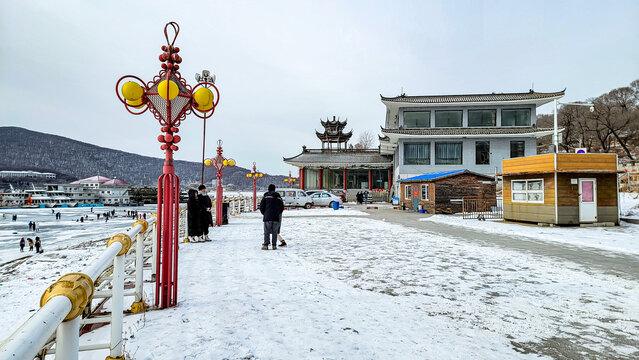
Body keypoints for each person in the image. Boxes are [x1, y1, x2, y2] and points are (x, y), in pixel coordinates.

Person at [259, 184, 284, 250]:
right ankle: (274, 245)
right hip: (276, 217)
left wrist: (264, 213)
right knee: (275, 232)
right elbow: (282, 207)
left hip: (267, 216)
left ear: (268, 189)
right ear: (274, 189)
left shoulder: (266, 196)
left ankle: (266, 245)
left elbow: (261, 206)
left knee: (266, 231)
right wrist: (278, 213)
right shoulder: (278, 197)